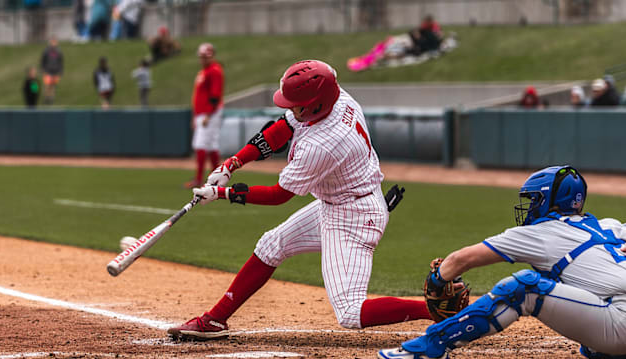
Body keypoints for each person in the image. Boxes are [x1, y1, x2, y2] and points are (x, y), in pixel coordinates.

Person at [167, 60, 433, 341]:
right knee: (271, 244)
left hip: (354, 217)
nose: (288, 108)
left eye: (295, 104)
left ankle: (435, 311)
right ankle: (215, 320)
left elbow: (278, 195)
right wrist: (232, 164)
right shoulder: (337, 97)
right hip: (339, 202)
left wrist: (224, 194)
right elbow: (281, 129)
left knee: (351, 312)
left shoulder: (323, 144)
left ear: (316, 105)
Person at [377, 165, 626, 359]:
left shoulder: (538, 234)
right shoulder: (611, 225)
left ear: (546, 200)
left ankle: (432, 347)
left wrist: (438, 279)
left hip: (623, 325)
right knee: (591, 345)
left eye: (533, 199)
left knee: (525, 287)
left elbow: (461, 260)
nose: (529, 207)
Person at [183, 43, 224, 189]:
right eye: (201, 57)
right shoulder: (205, 71)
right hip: (202, 113)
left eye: (205, 57)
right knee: (211, 144)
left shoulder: (214, 71)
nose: (202, 59)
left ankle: (199, 179)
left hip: (209, 113)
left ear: (212, 56)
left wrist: (208, 113)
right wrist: (196, 116)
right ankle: (217, 178)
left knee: (201, 144)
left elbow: (215, 95)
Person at [40, 37, 63, 105]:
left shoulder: (58, 51)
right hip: (48, 71)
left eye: (54, 42)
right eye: (52, 42)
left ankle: (51, 99)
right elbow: (43, 61)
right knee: (47, 85)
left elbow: (60, 62)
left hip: (55, 71)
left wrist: (60, 70)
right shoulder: (46, 51)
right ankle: (46, 98)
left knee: (53, 86)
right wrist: (43, 69)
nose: (53, 43)